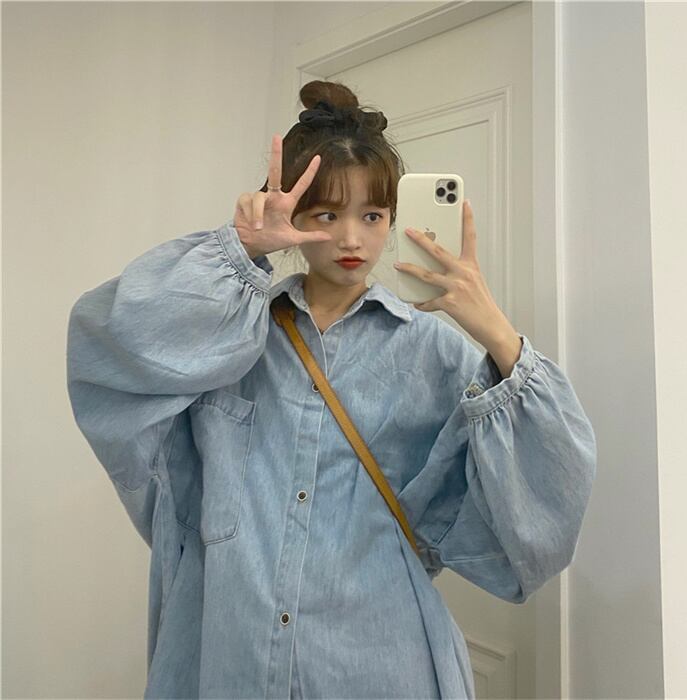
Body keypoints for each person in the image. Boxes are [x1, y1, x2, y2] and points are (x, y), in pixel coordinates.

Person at [66, 80, 597, 699]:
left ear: (393, 219)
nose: (351, 239)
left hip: (377, 661)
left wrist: (496, 331)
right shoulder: (225, 338)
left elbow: (543, 519)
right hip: (230, 653)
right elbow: (107, 347)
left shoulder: (435, 353)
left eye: (372, 216)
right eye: (327, 214)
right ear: (294, 216)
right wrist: (239, 252)